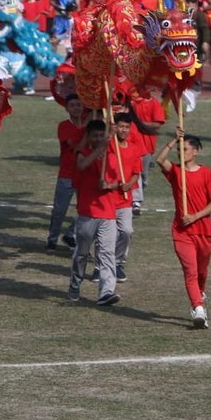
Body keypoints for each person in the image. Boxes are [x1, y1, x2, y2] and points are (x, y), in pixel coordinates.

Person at [156, 128, 211, 329]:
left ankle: (199, 294)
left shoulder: (208, 174)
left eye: (184, 149)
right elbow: (160, 160)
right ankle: (198, 309)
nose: (180, 152)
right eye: (179, 149)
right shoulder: (176, 172)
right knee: (190, 271)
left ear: (195, 152)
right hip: (181, 231)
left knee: (201, 271)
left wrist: (195, 216)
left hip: (203, 230)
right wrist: (172, 141)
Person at [68, 119, 121, 306]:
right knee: (82, 253)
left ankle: (106, 292)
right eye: (95, 136)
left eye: (101, 135)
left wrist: (109, 185)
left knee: (107, 253)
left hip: (108, 213)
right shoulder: (83, 153)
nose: (99, 138)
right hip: (87, 213)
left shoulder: (113, 156)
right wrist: (101, 148)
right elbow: (82, 165)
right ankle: (75, 283)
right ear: (89, 138)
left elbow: (119, 182)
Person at [106, 113, 144, 284]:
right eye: (120, 126)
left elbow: (137, 173)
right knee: (106, 235)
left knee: (127, 231)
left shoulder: (134, 148)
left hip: (125, 199)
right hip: (107, 199)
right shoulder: (109, 146)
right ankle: (101, 266)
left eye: (126, 127)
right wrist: (110, 134)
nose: (123, 130)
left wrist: (130, 184)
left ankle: (118, 263)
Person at [46, 94, 84, 251]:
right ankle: (52, 238)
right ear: (67, 108)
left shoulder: (91, 125)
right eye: (73, 105)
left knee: (85, 210)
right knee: (59, 210)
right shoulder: (64, 126)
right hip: (67, 174)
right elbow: (75, 146)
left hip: (85, 174)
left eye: (79, 105)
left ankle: (71, 234)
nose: (76, 108)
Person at [127, 93, 166, 214]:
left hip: (146, 146)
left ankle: (138, 194)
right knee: (133, 172)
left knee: (143, 174)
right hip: (130, 144)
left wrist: (139, 124)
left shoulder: (153, 103)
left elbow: (158, 123)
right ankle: (135, 201)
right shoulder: (129, 102)